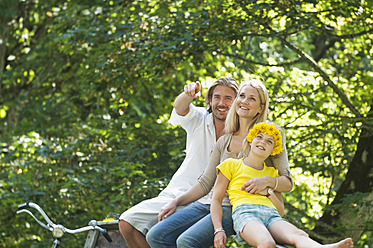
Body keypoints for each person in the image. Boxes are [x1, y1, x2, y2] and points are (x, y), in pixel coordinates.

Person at [146, 79, 293, 248]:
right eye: (242, 96)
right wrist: (176, 201)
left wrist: (265, 181)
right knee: (156, 236)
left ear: (261, 107)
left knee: (186, 242)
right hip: (212, 202)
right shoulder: (224, 140)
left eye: (252, 99)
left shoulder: (269, 137)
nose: (244, 101)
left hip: (241, 206)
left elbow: (287, 183)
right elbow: (205, 182)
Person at [118, 77, 239, 248]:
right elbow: (180, 107)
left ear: (236, 102)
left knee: (174, 239)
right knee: (127, 222)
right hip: (179, 193)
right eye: (217, 97)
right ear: (210, 101)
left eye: (228, 98)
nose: (222, 103)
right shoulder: (199, 118)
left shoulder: (241, 132)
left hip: (213, 202)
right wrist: (188, 94)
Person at [211, 121, 354, 248]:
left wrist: (268, 192)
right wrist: (218, 229)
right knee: (267, 243)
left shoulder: (273, 174)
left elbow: (280, 211)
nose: (262, 142)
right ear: (250, 140)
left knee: (299, 235)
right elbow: (216, 200)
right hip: (246, 213)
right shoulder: (230, 164)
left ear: (273, 150)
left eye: (269, 141)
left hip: (272, 216)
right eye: (259, 137)